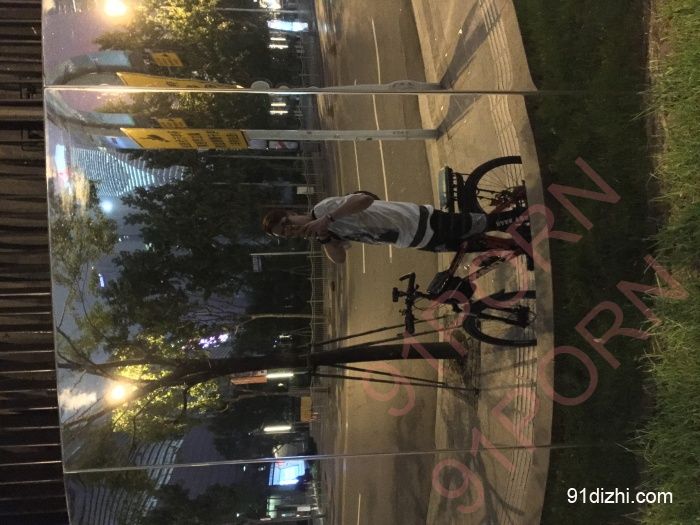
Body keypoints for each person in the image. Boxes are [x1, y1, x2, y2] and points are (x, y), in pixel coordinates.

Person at [261, 191, 525, 264]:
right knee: (476, 245)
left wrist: (327, 219)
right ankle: (525, 244)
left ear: (291, 214)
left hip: (420, 221)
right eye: (285, 233)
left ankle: (532, 216)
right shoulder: (325, 234)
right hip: (416, 240)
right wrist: (323, 237)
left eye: (287, 223)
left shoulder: (323, 209)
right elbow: (339, 259)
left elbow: (364, 199)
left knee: (483, 224)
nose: (290, 230)